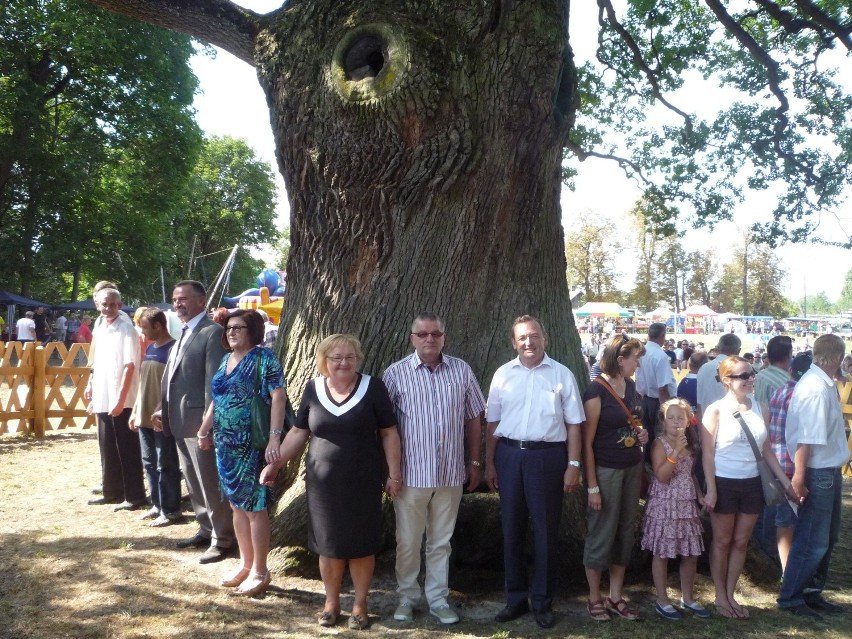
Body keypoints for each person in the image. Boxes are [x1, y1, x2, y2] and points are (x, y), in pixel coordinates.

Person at [261, 334, 402, 630]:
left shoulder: (373, 387)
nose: (343, 363)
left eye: (350, 357)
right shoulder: (313, 388)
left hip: (363, 481)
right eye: (336, 358)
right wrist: (274, 463)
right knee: (328, 545)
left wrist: (394, 473)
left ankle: (360, 604)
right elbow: (299, 432)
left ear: (358, 359)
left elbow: (389, 433)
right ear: (325, 360)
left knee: (362, 545)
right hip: (323, 485)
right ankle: (331, 602)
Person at [382, 313, 486, 625]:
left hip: (451, 474)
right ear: (412, 338)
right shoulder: (395, 374)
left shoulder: (461, 370)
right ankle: (407, 597)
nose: (430, 339)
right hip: (410, 475)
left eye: (436, 334)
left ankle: (439, 599)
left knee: (441, 542)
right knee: (409, 540)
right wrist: (392, 472)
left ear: (444, 337)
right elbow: (386, 429)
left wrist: (475, 462)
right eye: (423, 334)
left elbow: (474, 418)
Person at [485, 315, 584, 629]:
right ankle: (515, 599)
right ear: (514, 343)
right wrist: (490, 463)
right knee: (511, 529)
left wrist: (573, 465)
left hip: (547, 459)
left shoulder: (562, 375)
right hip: (510, 456)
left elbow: (574, 424)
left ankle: (542, 602)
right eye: (522, 338)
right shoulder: (502, 375)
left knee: (544, 532)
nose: (529, 342)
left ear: (545, 337)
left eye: (534, 336)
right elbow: (492, 424)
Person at [197, 309, 287, 596]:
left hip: (251, 444)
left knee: (255, 507)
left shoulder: (264, 359)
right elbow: (218, 399)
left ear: (253, 331)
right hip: (225, 444)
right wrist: (204, 429)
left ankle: (261, 570)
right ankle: (245, 564)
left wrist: (275, 439)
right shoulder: (225, 359)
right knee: (236, 505)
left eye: (239, 327)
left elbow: (278, 397)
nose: (232, 332)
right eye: (229, 327)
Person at [701, 356, 794, 619]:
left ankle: (730, 594)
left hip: (753, 482)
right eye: (743, 376)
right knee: (722, 541)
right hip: (724, 481)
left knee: (741, 542)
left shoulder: (760, 407)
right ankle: (720, 596)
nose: (751, 379)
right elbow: (707, 454)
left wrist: (786, 482)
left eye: (751, 374)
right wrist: (711, 488)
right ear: (727, 380)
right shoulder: (715, 410)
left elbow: (767, 450)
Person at [152, 280, 234, 564]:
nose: (178, 304)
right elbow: (175, 378)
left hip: (201, 424)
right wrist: (162, 409)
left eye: (184, 298)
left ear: (202, 301)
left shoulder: (212, 333)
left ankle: (223, 538)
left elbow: (215, 384)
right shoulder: (182, 333)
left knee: (210, 481)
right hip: (178, 420)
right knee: (193, 480)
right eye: (175, 299)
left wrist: (207, 425)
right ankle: (205, 528)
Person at [778, 334, 849, 618]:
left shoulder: (821, 383)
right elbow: (805, 440)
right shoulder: (815, 388)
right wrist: (799, 478)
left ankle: (810, 591)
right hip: (818, 471)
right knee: (812, 538)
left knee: (826, 538)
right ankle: (791, 596)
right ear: (837, 358)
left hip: (826, 469)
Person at [581, 334, 648, 622]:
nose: (638, 364)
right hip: (606, 472)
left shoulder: (631, 387)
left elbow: (635, 420)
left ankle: (616, 596)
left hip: (632, 468)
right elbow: (587, 443)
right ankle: (594, 597)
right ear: (620, 360)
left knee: (624, 532)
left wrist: (642, 433)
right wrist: (592, 486)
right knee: (601, 533)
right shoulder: (596, 392)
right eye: (635, 359)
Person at [641, 398, 709, 621]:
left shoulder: (691, 443)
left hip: (686, 504)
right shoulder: (659, 443)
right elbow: (662, 475)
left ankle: (687, 597)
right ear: (663, 420)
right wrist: (676, 451)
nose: (676, 421)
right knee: (662, 552)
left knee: (690, 552)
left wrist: (699, 494)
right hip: (665, 504)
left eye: (680, 417)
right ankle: (662, 599)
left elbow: (690, 474)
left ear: (689, 421)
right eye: (670, 417)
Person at [85, 287, 145, 511]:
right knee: (107, 446)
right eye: (104, 304)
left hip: (122, 398)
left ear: (120, 305)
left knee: (127, 447)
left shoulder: (127, 330)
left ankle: (134, 494)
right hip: (103, 395)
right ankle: (111, 491)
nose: (108, 308)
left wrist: (120, 400)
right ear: (97, 305)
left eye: (112, 304)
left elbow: (130, 366)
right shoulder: (100, 328)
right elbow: (97, 363)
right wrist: (91, 387)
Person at [129, 308, 182, 527]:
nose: (142, 331)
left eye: (144, 327)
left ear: (158, 326)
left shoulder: (174, 349)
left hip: (162, 418)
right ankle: (157, 505)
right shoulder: (151, 348)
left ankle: (171, 510)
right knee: (149, 462)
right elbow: (143, 383)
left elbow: (175, 385)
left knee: (165, 463)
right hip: (144, 416)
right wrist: (135, 411)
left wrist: (162, 409)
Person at [765, 353, 812, 572]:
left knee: (781, 517)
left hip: (777, 459)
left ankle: (781, 564)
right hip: (791, 464)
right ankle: (787, 570)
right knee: (787, 520)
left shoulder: (780, 391)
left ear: (791, 370)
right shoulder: (799, 395)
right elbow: (801, 436)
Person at [634, 323, 676, 454]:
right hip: (658, 401)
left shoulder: (641, 353)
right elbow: (662, 387)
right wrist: (667, 410)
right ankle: (658, 465)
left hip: (644, 400)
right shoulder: (660, 355)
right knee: (661, 437)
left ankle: (648, 464)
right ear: (662, 336)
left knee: (648, 436)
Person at [696, 333, 741, 422]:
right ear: (738, 351)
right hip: (732, 422)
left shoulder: (704, 368)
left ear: (718, 348)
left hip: (707, 422)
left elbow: (699, 404)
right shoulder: (740, 368)